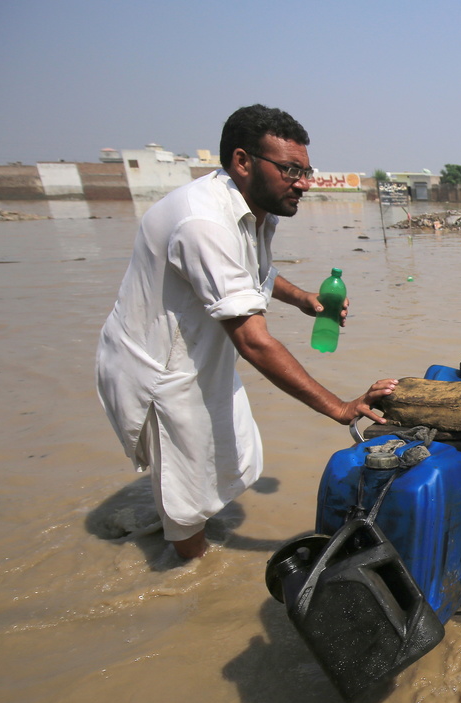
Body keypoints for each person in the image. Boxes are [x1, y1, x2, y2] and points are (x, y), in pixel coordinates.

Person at [96, 104, 395, 560]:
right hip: (161, 367)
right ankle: (191, 577)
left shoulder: (256, 209)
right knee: (188, 493)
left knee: (231, 455)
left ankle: (173, 532)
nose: (305, 183)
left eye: (307, 170)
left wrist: (305, 301)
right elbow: (254, 340)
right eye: (291, 170)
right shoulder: (204, 223)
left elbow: (256, 272)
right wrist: (340, 407)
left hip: (199, 353)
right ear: (242, 161)